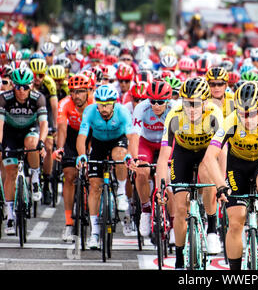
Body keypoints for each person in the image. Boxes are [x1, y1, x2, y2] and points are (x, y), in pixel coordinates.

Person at [203, 81, 258, 270]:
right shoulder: (231, 121)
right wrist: (220, 185)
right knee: (235, 222)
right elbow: (209, 157)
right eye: (242, 114)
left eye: (253, 114)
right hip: (238, 165)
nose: (247, 120)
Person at [155, 77, 224, 270]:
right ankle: (178, 257)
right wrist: (160, 187)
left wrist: (222, 183)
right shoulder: (175, 116)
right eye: (187, 104)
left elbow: (223, 152)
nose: (191, 109)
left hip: (207, 153)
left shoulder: (214, 114)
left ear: (205, 102)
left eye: (195, 104)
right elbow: (163, 157)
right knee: (179, 209)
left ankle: (212, 228)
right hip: (183, 153)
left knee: (206, 172)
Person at [76, 84, 133, 249]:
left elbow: (132, 136)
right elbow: (82, 136)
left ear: (114, 103)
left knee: (120, 155)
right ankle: (94, 232)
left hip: (118, 141)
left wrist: (131, 155)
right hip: (99, 143)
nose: (104, 108)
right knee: (94, 186)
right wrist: (81, 154)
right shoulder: (90, 111)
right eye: (101, 104)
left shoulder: (122, 111)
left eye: (107, 104)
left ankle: (121, 191)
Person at [0, 68, 48, 235]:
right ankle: (11, 215)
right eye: (17, 87)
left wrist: (42, 143)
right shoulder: (4, 99)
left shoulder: (38, 98)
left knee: (32, 143)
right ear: (13, 86)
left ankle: (35, 177)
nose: (21, 91)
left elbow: (43, 124)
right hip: (10, 134)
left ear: (31, 86)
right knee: (11, 173)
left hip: (30, 130)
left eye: (25, 87)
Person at [128, 80, 172, 239]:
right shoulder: (141, 108)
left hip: (166, 144)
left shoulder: (175, 109)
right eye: (153, 101)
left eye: (161, 102)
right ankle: (145, 211)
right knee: (141, 172)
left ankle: (173, 224)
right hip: (146, 143)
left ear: (168, 100)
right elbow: (134, 136)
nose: (156, 105)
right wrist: (134, 159)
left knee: (168, 178)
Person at [54, 74, 93, 242]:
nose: (76, 96)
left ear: (89, 91)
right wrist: (60, 149)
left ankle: (95, 223)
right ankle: (69, 223)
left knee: (93, 178)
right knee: (69, 176)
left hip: (93, 135)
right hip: (71, 136)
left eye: (81, 91)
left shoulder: (96, 104)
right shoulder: (64, 104)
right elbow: (62, 129)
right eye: (73, 92)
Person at [29, 58, 58, 204]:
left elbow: (54, 106)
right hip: (31, 116)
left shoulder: (49, 83)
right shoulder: (27, 83)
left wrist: (56, 126)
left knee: (48, 146)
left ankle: (46, 183)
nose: (38, 78)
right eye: (35, 75)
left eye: (41, 75)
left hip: (46, 114)